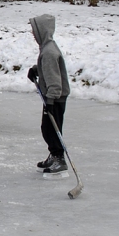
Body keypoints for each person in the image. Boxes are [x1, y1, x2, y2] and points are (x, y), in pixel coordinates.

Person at [27, 14, 71, 178]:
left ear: (42, 31)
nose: (32, 33)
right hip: (54, 96)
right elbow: (47, 69)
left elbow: (54, 80)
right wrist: (36, 70)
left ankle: (59, 159)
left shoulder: (49, 52)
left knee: (51, 128)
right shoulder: (47, 48)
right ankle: (54, 155)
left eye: (34, 30)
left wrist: (51, 100)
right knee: (49, 128)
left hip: (55, 97)